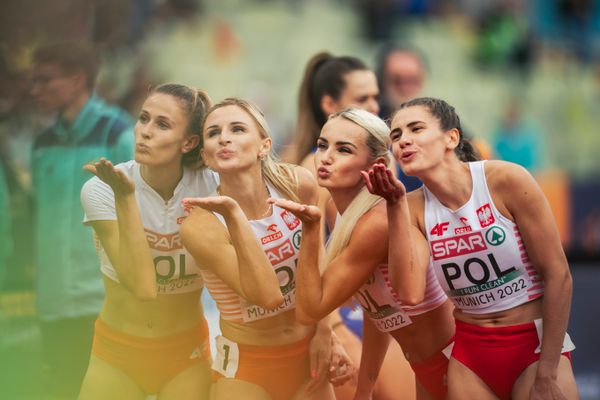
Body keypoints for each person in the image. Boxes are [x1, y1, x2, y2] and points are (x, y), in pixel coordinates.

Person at [364, 97, 578, 400]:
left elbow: (559, 275)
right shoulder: (409, 207)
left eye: (416, 129)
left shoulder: (505, 180)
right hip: (471, 357)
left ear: (451, 137)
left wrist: (548, 371)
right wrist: (394, 205)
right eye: (396, 136)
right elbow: (407, 293)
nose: (403, 141)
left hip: (532, 346)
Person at [271, 108, 455, 400]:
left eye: (343, 150)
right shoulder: (349, 218)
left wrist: (310, 230)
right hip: (427, 367)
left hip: (451, 362)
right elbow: (380, 311)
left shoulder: (377, 222)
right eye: (322, 145)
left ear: (376, 165)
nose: (326, 157)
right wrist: (365, 388)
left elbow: (309, 310)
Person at [180, 98, 351, 400]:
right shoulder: (200, 225)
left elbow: (316, 261)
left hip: (307, 350)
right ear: (206, 156)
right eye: (214, 133)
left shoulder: (297, 183)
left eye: (237, 128)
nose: (225, 137)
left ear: (263, 145)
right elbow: (267, 297)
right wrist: (233, 214)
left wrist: (326, 330)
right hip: (248, 365)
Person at [79, 83, 218, 399]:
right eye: (143, 119)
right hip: (116, 353)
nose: (145, 131)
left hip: (186, 354)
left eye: (162, 124)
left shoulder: (214, 187)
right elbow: (141, 287)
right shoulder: (102, 189)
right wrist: (126, 197)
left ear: (189, 142)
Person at [30, 40, 134, 398]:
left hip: (104, 301)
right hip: (53, 300)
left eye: (45, 80)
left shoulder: (119, 135)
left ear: (77, 80)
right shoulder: (42, 143)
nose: (35, 90)